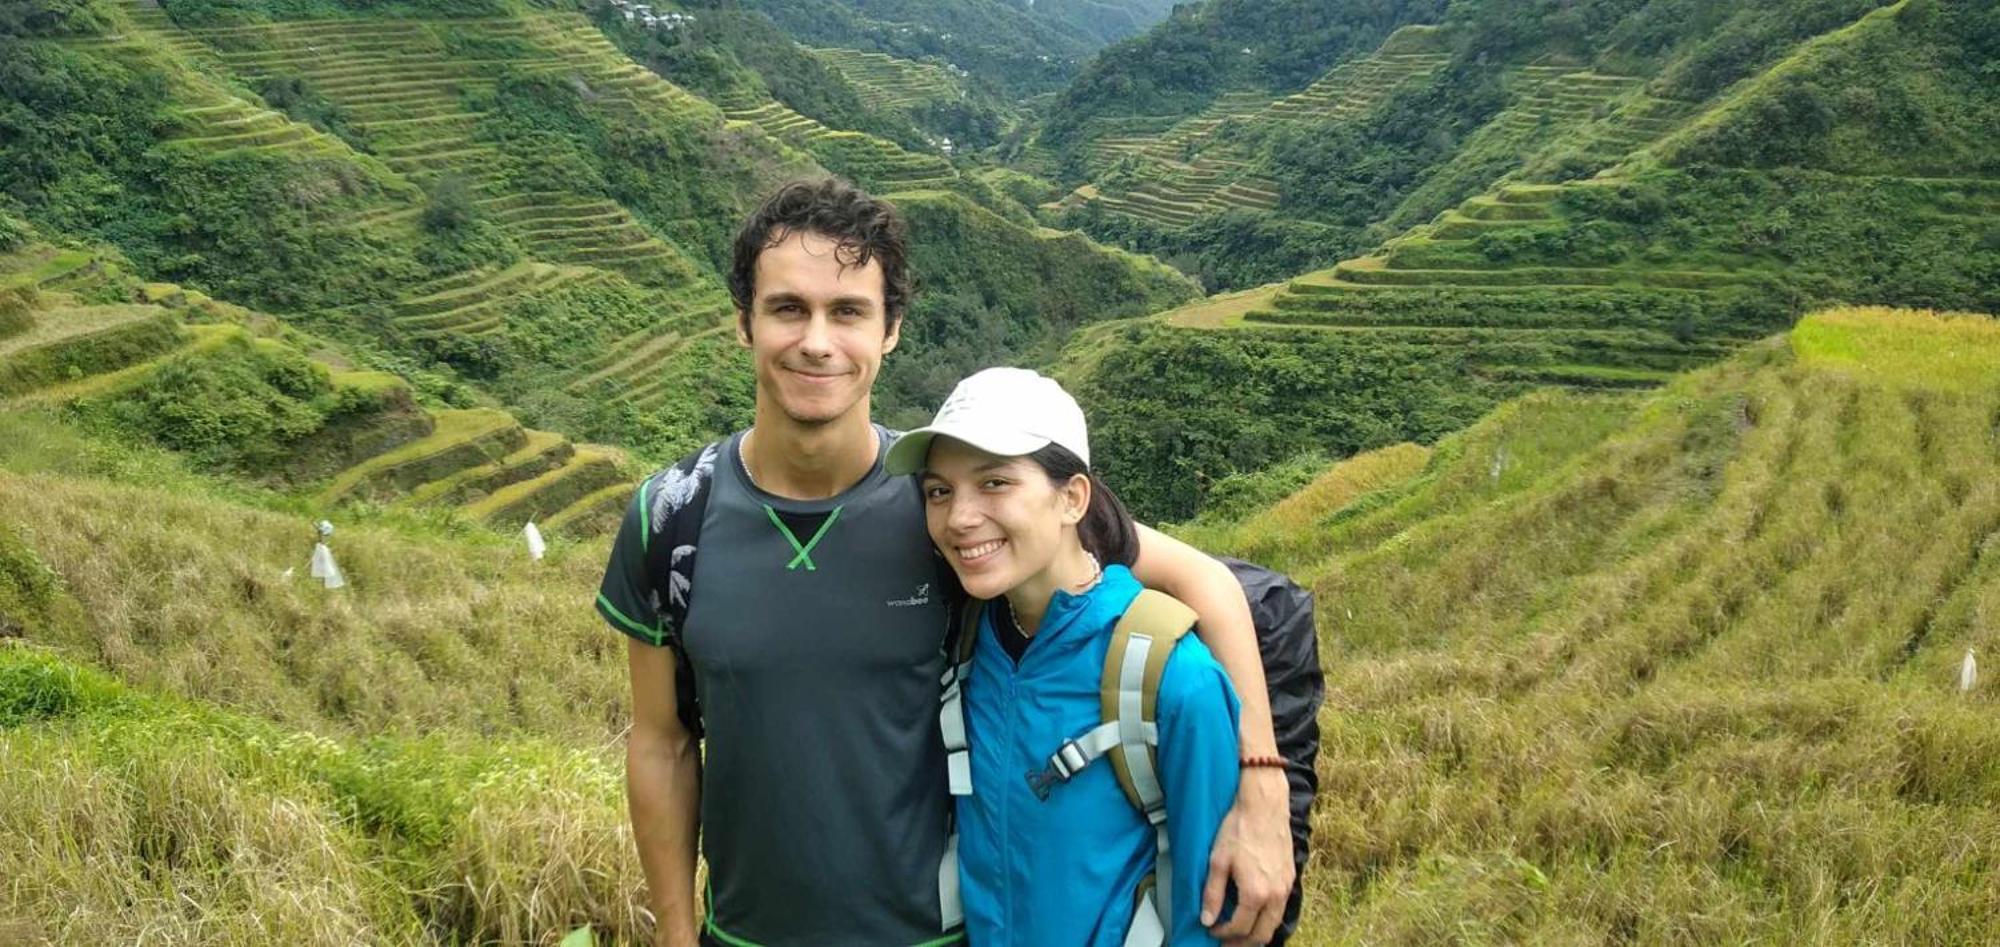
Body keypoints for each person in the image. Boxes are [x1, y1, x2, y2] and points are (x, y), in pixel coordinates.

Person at [595, 178, 1295, 947]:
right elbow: (660, 740)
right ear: (744, 322)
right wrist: (673, 933)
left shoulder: (943, 509)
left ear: (890, 330)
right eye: (788, 308)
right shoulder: (672, 517)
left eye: (849, 312)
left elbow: (1204, 580)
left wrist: (1262, 781)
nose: (818, 341)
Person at [887, 367, 1245, 946]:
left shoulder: (1173, 678)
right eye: (939, 491)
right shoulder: (969, 647)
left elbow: (1208, 917)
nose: (959, 517)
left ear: (1072, 497)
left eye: (995, 483)